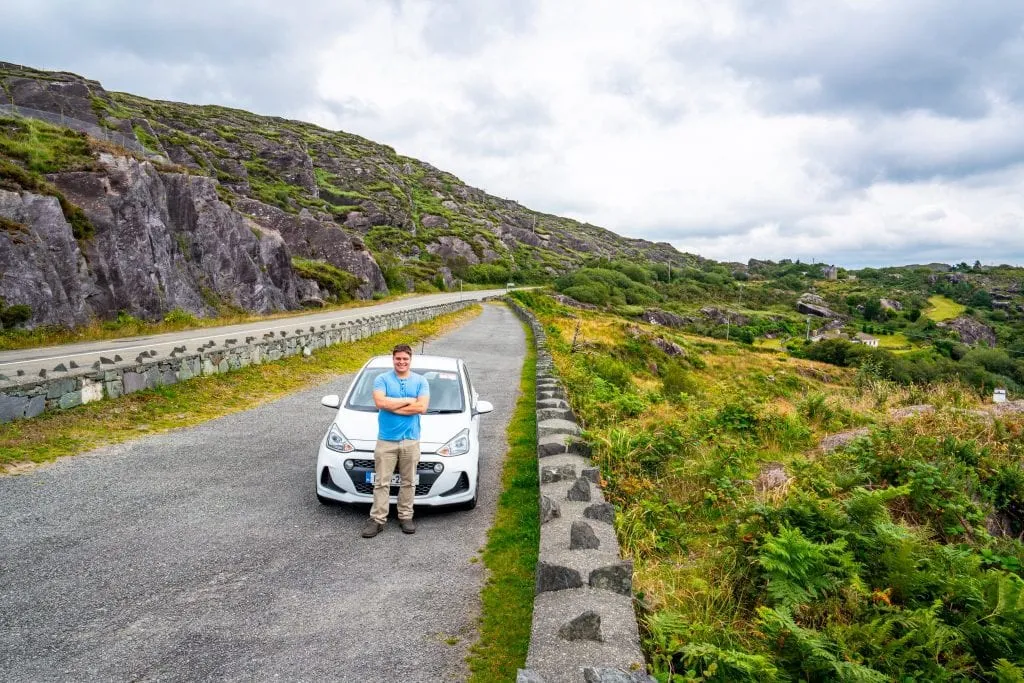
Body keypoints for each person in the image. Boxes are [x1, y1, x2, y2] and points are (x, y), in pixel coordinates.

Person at [361, 344, 430, 538]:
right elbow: (380, 403)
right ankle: (377, 520)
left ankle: (405, 516)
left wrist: (393, 405)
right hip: (386, 440)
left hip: (410, 440)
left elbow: (422, 407)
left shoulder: (420, 381)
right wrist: (409, 401)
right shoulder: (381, 379)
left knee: (409, 482)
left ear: (410, 360)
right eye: (398, 359)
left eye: (405, 359)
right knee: (381, 482)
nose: (401, 362)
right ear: (393, 359)